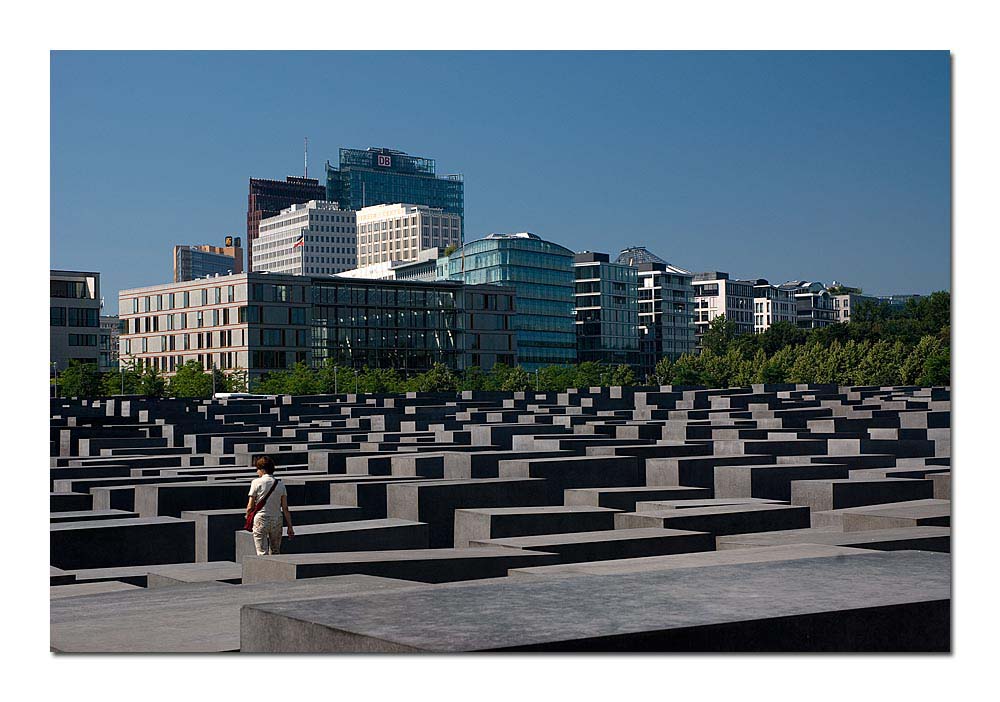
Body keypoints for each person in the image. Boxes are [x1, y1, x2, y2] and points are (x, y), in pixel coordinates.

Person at [245, 455, 294, 556]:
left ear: (262, 469)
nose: (257, 472)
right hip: (277, 520)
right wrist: (290, 527)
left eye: (257, 469)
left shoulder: (256, 482)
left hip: (261, 519)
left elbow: (250, 506)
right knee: (276, 552)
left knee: (262, 553)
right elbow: (285, 508)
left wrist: (248, 516)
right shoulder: (281, 484)